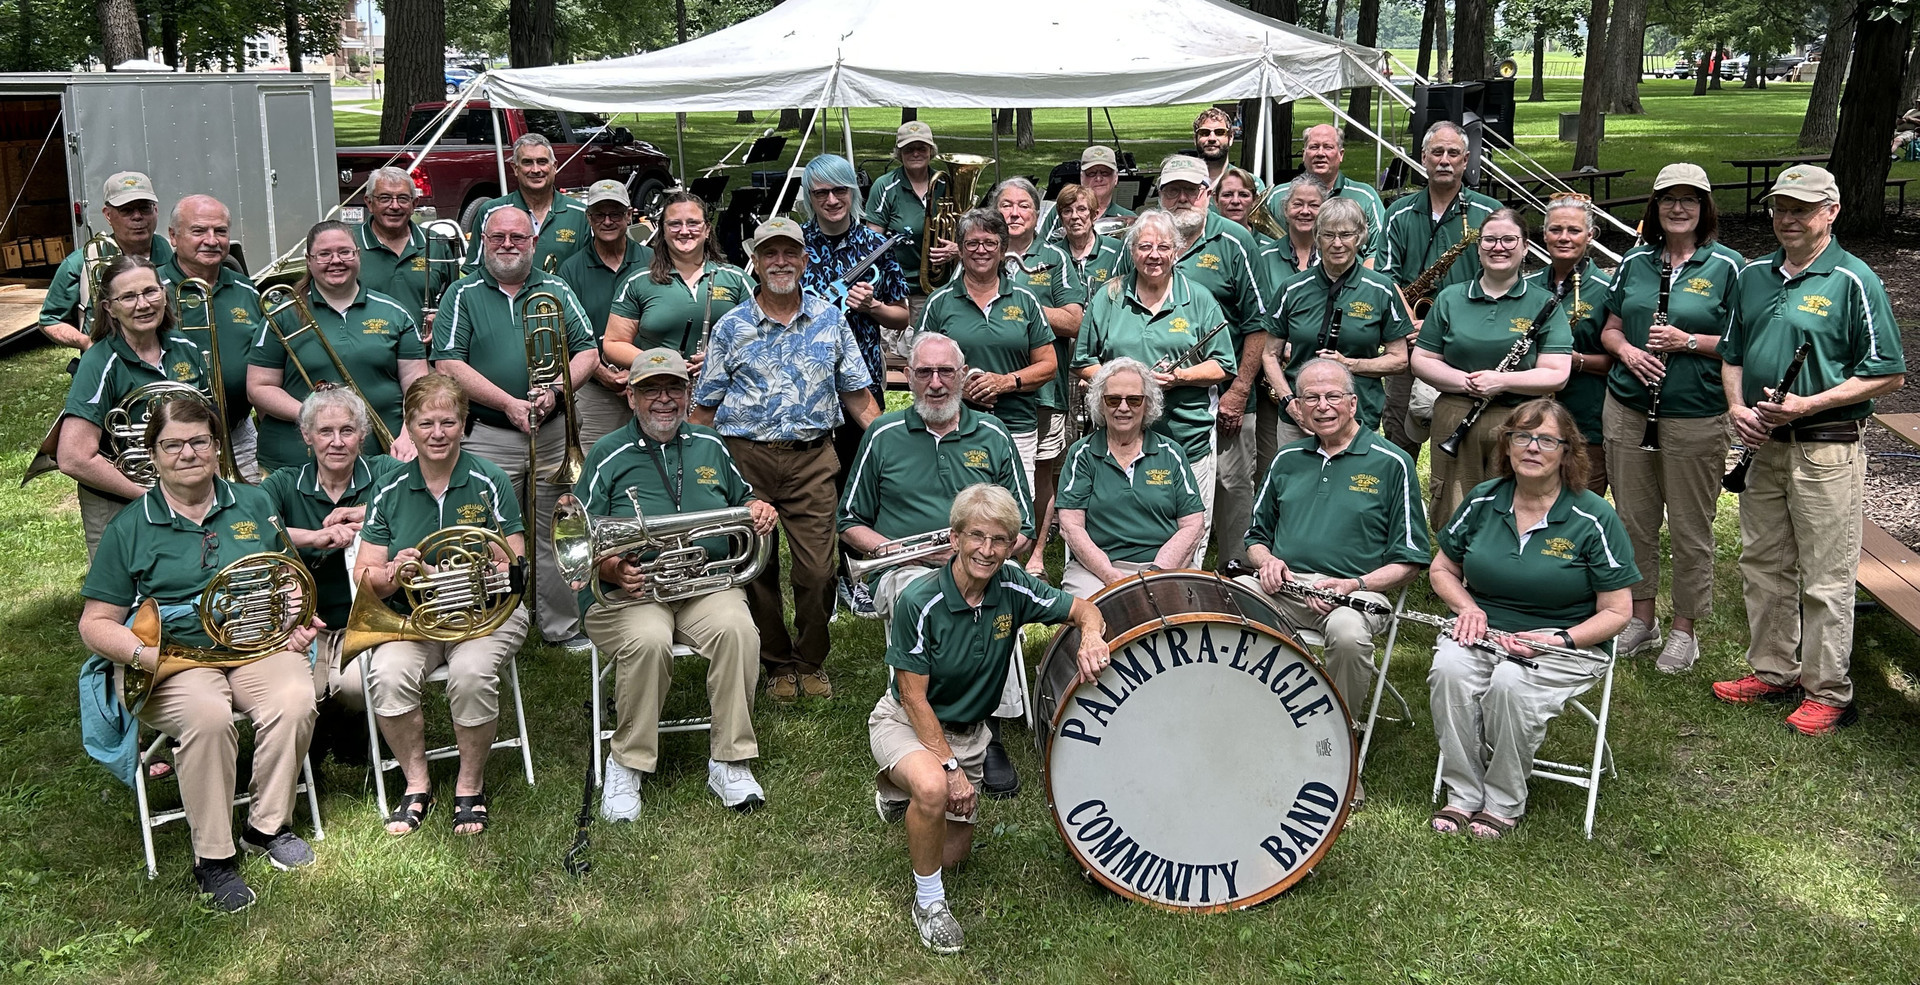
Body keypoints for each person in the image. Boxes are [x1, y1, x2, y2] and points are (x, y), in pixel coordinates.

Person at [78, 396, 322, 911]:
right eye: (172, 445)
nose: (187, 453)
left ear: (217, 447)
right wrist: (146, 658)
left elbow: (287, 578)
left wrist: (295, 618)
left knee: (297, 695)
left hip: (254, 643)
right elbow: (94, 624)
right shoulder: (130, 526)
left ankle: (266, 825)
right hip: (174, 657)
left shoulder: (253, 503)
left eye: (199, 441)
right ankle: (213, 858)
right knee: (209, 718)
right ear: (154, 454)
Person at [869, 482, 1108, 954]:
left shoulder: (1013, 586)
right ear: (954, 538)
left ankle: (900, 793)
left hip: (971, 733)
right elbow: (914, 700)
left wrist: (1093, 637)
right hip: (907, 721)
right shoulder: (921, 601)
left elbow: (1084, 609)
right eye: (976, 536)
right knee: (937, 789)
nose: (987, 549)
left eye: (1000, 539)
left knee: (953, 856)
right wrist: (950, 771)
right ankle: (929, 905)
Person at [1713, 165, 1906, 735]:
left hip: (1825, 449)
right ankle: (1774, 671)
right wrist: (1736, 409)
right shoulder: (1752, 276)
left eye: (1801, 208)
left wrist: (1806, 405)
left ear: (1831, 212)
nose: (1788, 219)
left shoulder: (1853, 279)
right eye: (1779, 208)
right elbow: (1732, 354)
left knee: (1825, 576)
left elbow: (1888, 373)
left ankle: (1829, 690)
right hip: (1761, 443)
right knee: (1764, 564)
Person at [574, 348, 781, 818]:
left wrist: (758, 507)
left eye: (673, 388)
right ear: (631, 397)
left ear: (688, 395)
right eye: (651, 389)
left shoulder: (710, 445)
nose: (663, 399)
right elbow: (577, 534)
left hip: (704, 583)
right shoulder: (608, 454)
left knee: (738, 630)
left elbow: (742, 499)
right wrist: (609, 568)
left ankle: (730, 760)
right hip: (632, 589)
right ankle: (627, 763)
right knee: (648, 640)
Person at [1427, 398, 1636, 839]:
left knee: (1509, 683)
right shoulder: (1483, 500)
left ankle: (1503, 800)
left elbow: (1618, 611)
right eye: (1522, 436)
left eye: (1546, 439)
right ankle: (1463, 794)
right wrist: (1469, 609)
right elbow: (1442, 569)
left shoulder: (1594, 516)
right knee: (1448, 669)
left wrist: (1558, 639)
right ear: (1507, 445)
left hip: (1563, 642)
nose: (1532, 448)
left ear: (1567, 451)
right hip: (1483, 629)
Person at [691, 217, 881, 703]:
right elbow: (706, 408)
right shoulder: (732, 327)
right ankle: (776, 662)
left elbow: (856, 395)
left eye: (789, 253)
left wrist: (888, 438)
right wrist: (691, 464)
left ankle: (810, 658)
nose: (780, 262)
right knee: (755, 567)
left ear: (804, 260)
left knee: (818, 571)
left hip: (812, 460)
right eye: (769, 254)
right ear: (754, 263)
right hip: (746, 462)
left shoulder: (830, 319)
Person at [840, 333, 1034, 797]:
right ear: (906, 378)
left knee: (997, 597)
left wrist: (984, 556)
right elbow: (849, 521)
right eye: (923, 372)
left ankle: (989, 734)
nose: (935, 383)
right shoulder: (883, 435)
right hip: (908, 567)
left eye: (946, 372)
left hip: (984, 561)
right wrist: (905, 552)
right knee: (924, 597)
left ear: (963, 377)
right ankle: (924, 725)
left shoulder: (993, 434)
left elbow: (1023, 524)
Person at [355, 373, 532, 836]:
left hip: (487, 615)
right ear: (409, 428)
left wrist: (491, 567)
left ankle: (468, 785)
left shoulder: (488, 479)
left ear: (465, 424)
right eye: (426, 423)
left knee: (470, 674)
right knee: (387, 675)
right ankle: (417, 783)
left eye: (449, 422)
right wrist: (395, 571)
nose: (438, 433)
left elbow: (515, 563)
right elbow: (364, 576)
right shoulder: (388, 489)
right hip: (414, 618)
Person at [1240, 359, 1428, 762]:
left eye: (1332, 396)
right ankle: (1250, 717)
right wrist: (1267, 561)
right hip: (1284, 588)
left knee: (1346, 632)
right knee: (1228, 599)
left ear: (1354, 403)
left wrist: (1352, 586)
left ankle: (1336, 747)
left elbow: (1410, 560)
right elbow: (1255, 537)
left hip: (1355, 594)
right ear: (1300, 407)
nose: (1322, 406)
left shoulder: (1392, 462)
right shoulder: (1286, 459)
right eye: (1311, 398)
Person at [1599, 166, 1743, 673]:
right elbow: (1611, 329)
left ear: (1705, 208)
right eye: (1668, 200)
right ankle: (1642, 618)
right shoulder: (1635, 260)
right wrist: (1630, 354)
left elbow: (1742, 344)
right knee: (1633, 519)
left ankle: (1685, 628)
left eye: (1689, 200)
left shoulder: (1729, 267)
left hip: (1694, 415)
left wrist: (1687, 341)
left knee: (1688, 526)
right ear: (1655, 208)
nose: (1677, 208)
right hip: (1628, 409)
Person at [434, 206, 598, 650]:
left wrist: (557, 392)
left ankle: (560, 625)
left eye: (518, 238)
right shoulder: (462, 293)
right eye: (498, 237)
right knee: (487, 530)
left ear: (533, 243)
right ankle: (488, 624)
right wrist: (508, 403)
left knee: (557, 526)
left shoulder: (557, 289)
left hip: (552, 432)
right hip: (489, 433)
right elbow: (448, 361)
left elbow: (588, 352)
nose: (508, 245)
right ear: (483, 242)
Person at [1073, 209, 1233, 552]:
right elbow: (1082, 361)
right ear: (1132, 251)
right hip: (1119, 442)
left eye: (1163, 247)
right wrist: (1123, 385)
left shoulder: (1199, 298)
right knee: (1128, 534)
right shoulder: (1109, 296)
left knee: (1189, 536)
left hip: (1187, 437)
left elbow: (1223, 365)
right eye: (1145, 246)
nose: (1154, 255)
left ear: (1176, 250)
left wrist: (1180, 377)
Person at [798, 155, 910, 616]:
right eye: (821, 192)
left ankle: (863, 570)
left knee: (860, 480)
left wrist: (872, 308)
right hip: (805, 385)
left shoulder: (875, 243)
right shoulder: (795, 246)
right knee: (816, 483)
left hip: (861, 381)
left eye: (839, 190)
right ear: (809, 197)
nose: (831, 200)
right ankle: (827, 574)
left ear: (852, 193)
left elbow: (903, 314)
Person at [1411, 208, 1572, 526]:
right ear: (1478, 245)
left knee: (1517, 503)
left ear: (1525, 246)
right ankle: (1454, 573)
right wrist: (1466, 382)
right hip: (1456, 412)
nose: (1499, 247)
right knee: (1454, 506)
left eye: (1509, 239)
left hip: (1521, 420)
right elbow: (1422, 360)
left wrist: (1502, 381)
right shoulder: (1450, 298)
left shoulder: (1545, 303)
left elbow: (1557, 373)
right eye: (1490, 240)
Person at [258, 387, 403, 732]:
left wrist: (369, 516)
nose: (336, 442)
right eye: (325, 431)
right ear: (307, 436)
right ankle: (322, 733)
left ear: (362, 436)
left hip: (373, 620)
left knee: (356, 687)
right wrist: (316, 537)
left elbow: (419, 507)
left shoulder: (385, 470)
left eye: (347, 431)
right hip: (305, 624)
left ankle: (350, 727)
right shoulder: (283, 483)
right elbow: (249, 530)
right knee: (297, 688)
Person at [1150, 154, 1271, 566]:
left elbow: (1258, 324)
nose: (1181, 198)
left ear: (1207, 193)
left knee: (1231, 483)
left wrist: (1238, 393)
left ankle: (1236, 572)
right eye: (1172, 190)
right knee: (1161, 482)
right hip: (1155, 399)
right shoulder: (1146, 240)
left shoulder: (1235, 240)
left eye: (1190, 190)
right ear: (1160, 194)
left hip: (1225, 391)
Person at [54, 255, 212, 557]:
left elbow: (209, 426)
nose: (143, 304)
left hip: (188, 489)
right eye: (128, 297)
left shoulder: (187, 350)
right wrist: (154, 497)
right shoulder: (99, 362)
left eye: (150, 292)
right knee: (129, 594)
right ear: (109, 308)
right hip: (121, 499)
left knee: (194, 572)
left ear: (164, 295)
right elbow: (73, 457)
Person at [248, 221, 426, 473]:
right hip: (295, 464)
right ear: (309, 260)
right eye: (324, 254)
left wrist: (409, 435)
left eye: (345, 252)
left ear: (358, 255)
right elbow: (259, 387)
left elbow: (417, 385)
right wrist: (315, 415)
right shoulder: (283, 314)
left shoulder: (393, 312)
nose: (336, 260)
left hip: (383, 459)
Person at [1380, 122, 1504, 459]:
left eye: (1453, 153)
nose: (1445, 160)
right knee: (1398, 432)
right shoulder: (1398, 213)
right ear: (1423, 158)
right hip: (1408, 339)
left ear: (1466, 160)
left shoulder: (1489, 213)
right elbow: (1385, 278)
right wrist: (1411, 326)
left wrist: (1440, 328)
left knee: (1463, 441)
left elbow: (1501, 280)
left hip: (1466, 343)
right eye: (1437, 152)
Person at [915, 208, 1057, 487]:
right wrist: (958, 387)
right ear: (961, 250)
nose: (981, 250)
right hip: (953, 425)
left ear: (1003, 250)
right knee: (957, 507)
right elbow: (920, 367)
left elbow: (1048, 366)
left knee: (1013, 512)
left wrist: (1005, 382)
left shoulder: (1025, 300)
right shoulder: (939, 302)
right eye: (972, 243)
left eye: (990, 243)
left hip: (1015, 426)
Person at [1026, 182, 1125, 575]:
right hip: (1063, 361)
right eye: (1068, 211)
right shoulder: (1051, 256)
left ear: (1095, 213)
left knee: (1098, 442)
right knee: (1062, 448)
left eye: (1082, 210)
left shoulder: (1116, 254)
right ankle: (1062, 522)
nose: (1076, 217)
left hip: (1102, 359)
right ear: (1060, 216)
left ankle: (1098, 518)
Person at [1265, 198, 1413, 446]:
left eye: (1346, 235)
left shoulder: (1382, 289)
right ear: (1317, 237)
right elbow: (1270, 354)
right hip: (1299, 419)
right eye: (1328, 235)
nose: (1337, 243)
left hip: (1359, 417)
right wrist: (1288, 402)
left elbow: (1399, 359)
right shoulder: (1292, 288)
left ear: (1360, 238)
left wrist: (1351, 364)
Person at [994, 176, 1084, 577]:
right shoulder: (983, 252)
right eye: (1006, 205)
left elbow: (1074, 319)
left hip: (1043, 388)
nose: (1014, 213)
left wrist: (1020, 307)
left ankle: (1033, 555)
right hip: (989, 388)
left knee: (1041, 470)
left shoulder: (1055, 258)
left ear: (1036, 214)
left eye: (1023, 206)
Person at [1055, 357, 1204, 597]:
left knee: (1188, 617)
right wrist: (1110, 576)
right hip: (1097, 569)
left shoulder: (1171, 453)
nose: (1123, 408)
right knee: (1096, 616)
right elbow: (1071, 527)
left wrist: (1157, 573)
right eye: (1113, 399)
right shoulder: (1082, 454)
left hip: (1165, 565)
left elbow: (1193, 525)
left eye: (1134, 400)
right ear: (1100, 404)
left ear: (1147, 404)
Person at [159, 194, 265, 478]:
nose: (211, 239)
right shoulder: (152, 289)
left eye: (220, 231)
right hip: (173, 440)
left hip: (237, 431)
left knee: (247, 513)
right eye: (198, 230)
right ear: (173, 236)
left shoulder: (246, 289)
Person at [555, 180, 655, 452]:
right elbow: (564, 336)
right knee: (597, 463)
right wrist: (599, 373)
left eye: (616, 213)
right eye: (600, 214)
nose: (608, 221)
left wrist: (638, 370)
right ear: (589, 218)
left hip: (651, 383)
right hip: (595, 389)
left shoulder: (654, 261)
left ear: (629, 215)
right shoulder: (571, 269)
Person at [602, 191, 753, 366]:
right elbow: (614, 343)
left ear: (707, 230)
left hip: (726, 389)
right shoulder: (638, 282)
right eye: (674, 224)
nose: (684, 231)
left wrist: (723, 357)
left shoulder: (737, 278)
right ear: (663, 231)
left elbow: (764, 335)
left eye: (693, 223)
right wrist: (662, 364)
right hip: (662, 388)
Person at [1531, 194, 1617, 497]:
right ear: (1543, 235)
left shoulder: (1609, 290)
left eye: (1574, 230)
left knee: (1579, 501)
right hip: (1531, 419)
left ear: (1590, 236)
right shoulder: (1525, 287)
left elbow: (1619, 361)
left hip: (1586, 420)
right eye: (1555, 230)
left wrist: (1574, 361)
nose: (1563, 238)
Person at [40, 171, 174, 350]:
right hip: (109, 367)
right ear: (108, 215)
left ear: (155, 210)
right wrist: (86, 343)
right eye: (126, 210)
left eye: (144, 208)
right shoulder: (82, 263)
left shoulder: (176, 257)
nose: (137, 216)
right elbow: (49, 321)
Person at [353, 167, 458, 335]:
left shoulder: (436, 244)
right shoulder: (348, 243)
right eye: (385, 198)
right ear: (369, 202)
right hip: (364, 352)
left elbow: (455, 301)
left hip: (424, 352)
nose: (394, 206)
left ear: (414, 204)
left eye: (402, 198)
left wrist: (441, 317)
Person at [463, 133, 590, 271]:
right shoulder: (491, 211)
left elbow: (589, 272)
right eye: (527, 162)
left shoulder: (581, 214)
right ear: (515, 168)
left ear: (554, 166)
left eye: (542, 162)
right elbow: (472, 270)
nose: (535, 170)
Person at [865, 120, 956, 301]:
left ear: (931, 151)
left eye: (922, 148)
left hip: (944, 288)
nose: (916, 153)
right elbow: (872, 242)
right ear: (899, 153)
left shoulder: (947, 184)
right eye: (908, 149)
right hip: (900, 289)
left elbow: (967, 232)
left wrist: (956, 249)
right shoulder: (884, 186)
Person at [1300, 124, 1388, 262]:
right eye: (1314, 147)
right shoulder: (1280, 196)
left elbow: (1380, 245)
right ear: (1304, 153)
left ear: (1341, 154)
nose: (1320, 153)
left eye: (1328, 147)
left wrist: (1363, 280)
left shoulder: (1365, 196)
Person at [1035, 145, 1136, 243]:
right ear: (1081, 177)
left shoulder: (1129, 219)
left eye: (1105, 173)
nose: (1099, 178)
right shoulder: (1062, 210)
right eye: (1091, 173)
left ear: (1116, 178)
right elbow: (1042, 249)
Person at [1263, 173, 1327, 280]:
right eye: (1298, 204)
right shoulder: (1263, 258)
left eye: (1314, 205)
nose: (1305, 211)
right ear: (1285, 209)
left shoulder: (1336, 255)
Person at [1191, 107, 1252, 192]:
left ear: (1230, 138)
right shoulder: (1180, 183)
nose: (1212, 138)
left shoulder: (1249, 184)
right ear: (1195, 139)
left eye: (1219, 132)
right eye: (1204, 132)